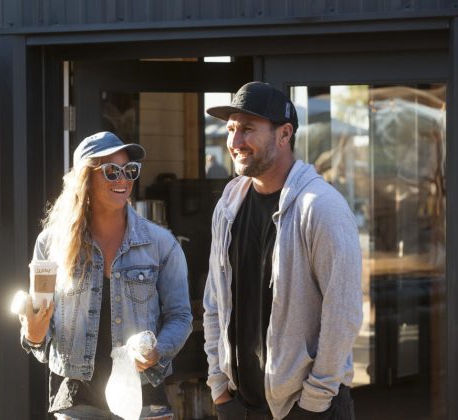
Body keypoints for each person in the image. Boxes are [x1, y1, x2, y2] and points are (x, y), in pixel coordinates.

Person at [202, 82, 363, 420]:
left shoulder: (321, 207)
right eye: (231, 129)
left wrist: (314, 402)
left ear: (284, 134)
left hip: (308, 409)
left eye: (247, 129)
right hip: (241, 406)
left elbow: (343, 314)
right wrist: (219, 388)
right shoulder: (229, 205)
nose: (234, 142)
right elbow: (215, 304)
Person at [18, 131, 192, 419]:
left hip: (143, 396)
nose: (123, 179)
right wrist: (34, 335)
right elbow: (39, 324)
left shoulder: (161, 244)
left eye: (130, 170)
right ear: (85, 178)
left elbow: (180, 316)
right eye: (111, 171)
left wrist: (157, 351)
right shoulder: (51, 243)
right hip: (79, 400)